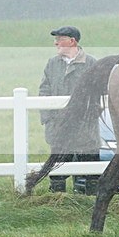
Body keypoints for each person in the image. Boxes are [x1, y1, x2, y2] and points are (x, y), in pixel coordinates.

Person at [39, 26, 100, 194]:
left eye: (60, 39)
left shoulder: (91, 63)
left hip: (85, 129)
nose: (55, 43)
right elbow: (44, 91)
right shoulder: (52, 64)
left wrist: (90, 116)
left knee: (91, 171)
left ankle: (91, 204)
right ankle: (58, 205)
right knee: (57, 172)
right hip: (60, 128)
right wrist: (49, 120)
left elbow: (99, 93)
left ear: (72, 41)